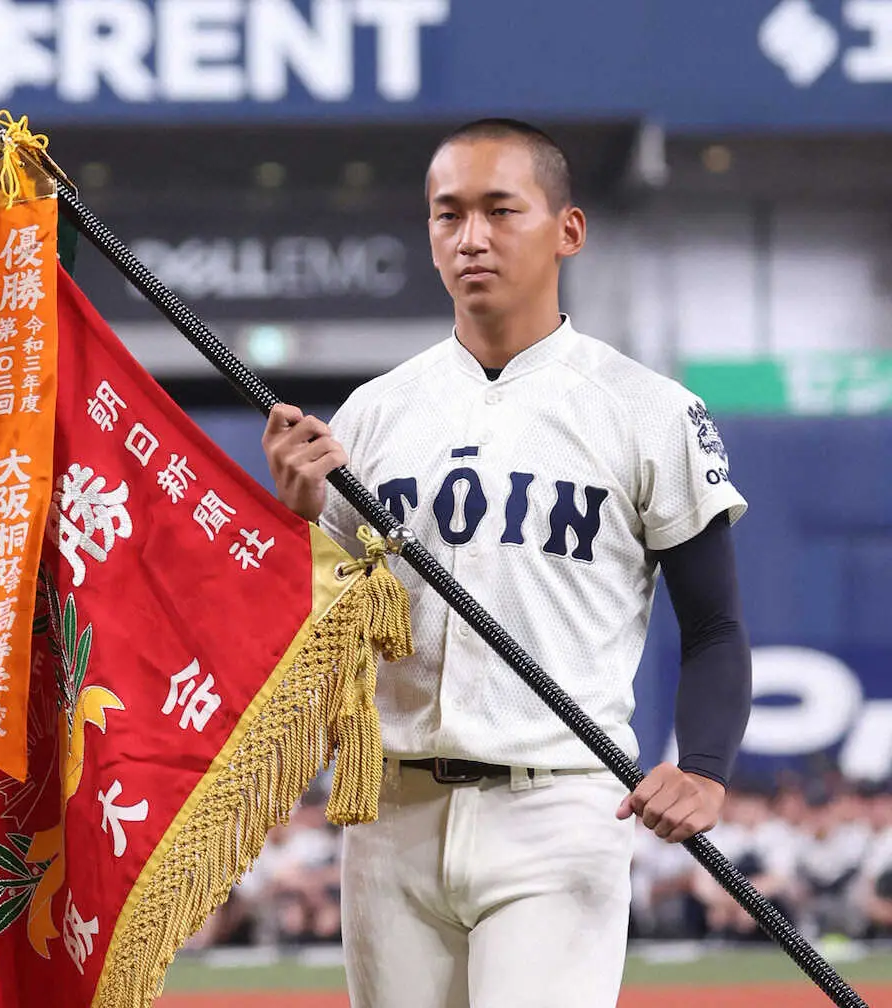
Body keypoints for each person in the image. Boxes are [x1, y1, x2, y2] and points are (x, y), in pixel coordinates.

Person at [261, 118, 753, 1007]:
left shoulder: (648, 409)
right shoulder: (370, 415)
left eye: (501, 209)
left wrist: (707, 765)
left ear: (569, 229)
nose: (471, 237)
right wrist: (295, 523)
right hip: (390, 815)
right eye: (448, 214)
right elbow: (314, 636)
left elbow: (714, 625)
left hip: (558, 806)